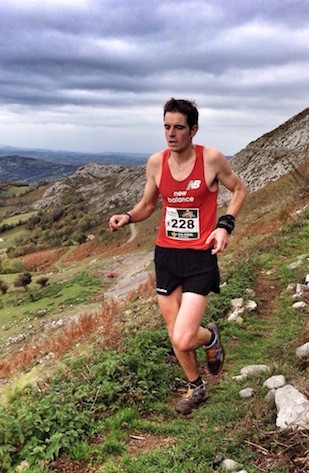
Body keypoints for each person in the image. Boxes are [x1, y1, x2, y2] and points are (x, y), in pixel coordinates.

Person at [109, 98, 247, 414]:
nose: (171, 134)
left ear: (193, 130)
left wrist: (225, 225)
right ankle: (195, 386)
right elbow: (147, 205)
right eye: (167, 126)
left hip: (199, 257)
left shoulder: (211, 159)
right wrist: (127, 216)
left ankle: (210, 336)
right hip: (167, 255)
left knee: (184, 338)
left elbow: (239, 190)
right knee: (174, 332)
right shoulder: (156, 163)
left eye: (179, 127)